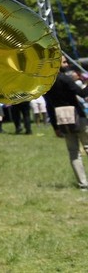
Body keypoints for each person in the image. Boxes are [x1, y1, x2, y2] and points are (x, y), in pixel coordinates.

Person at [41, 55, 88, 190]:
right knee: (87, 146)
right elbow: (82, 93)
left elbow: (49, 106)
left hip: (62, 120)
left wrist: (55, 126)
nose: (67, 64)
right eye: (64, 62)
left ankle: (83, 184)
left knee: (73, 152)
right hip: (78, 117)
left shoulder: (46, 84)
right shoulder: (65, 79)